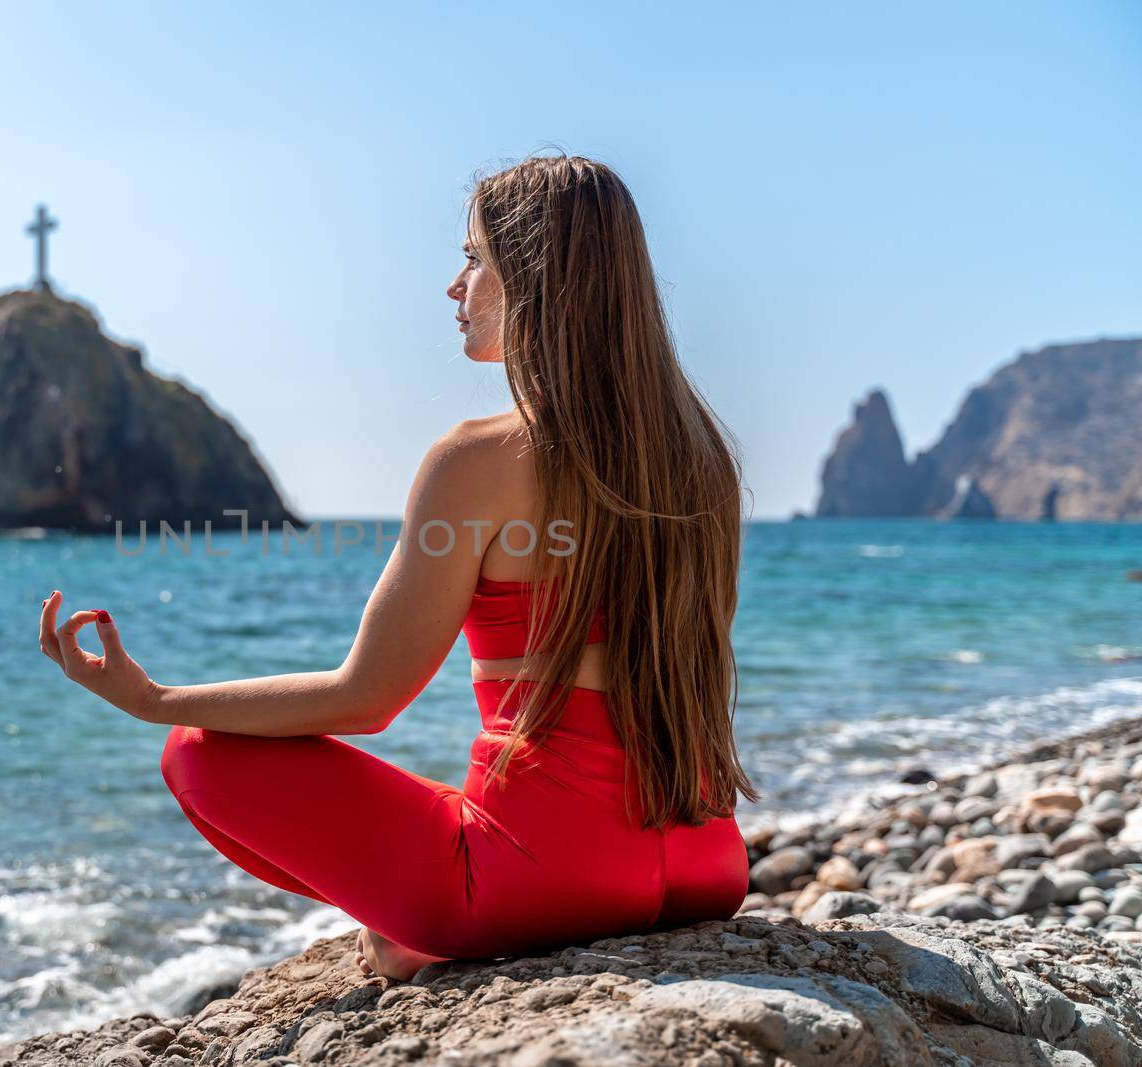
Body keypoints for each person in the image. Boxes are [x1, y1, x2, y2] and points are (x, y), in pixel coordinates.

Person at [37, 152, 759, 983]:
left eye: (474, 259)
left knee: (195, 750)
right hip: (706, 861)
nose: (456, 287)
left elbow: (367, 698)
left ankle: (426, 922)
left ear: (534, 276)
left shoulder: (477, 460)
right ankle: (440, 911)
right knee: (467, 805)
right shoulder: (700, 460)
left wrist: (151, 698)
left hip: (553, 873)